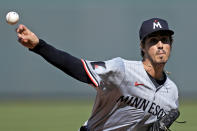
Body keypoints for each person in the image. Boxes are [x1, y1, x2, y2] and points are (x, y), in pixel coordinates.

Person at [16, 18, 179, 131]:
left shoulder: (172, 93)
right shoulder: (122, 70)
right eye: (153, 40)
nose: (160, 45)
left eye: (165, 40)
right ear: (142, 46)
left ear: (171, 45)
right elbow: (79, 68)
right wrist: (39, 46)